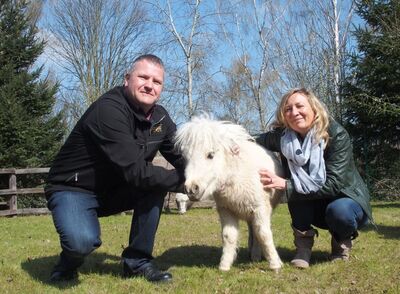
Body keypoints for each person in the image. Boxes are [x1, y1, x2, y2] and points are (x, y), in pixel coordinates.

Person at [45, 54, 185, 283]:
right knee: (81, 241)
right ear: (127, 79)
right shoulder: (108, 111)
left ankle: (137, 263)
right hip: (74, 188)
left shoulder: (160, 119)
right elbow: (137, 172)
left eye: (157, 81)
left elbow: (183, 156)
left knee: (156, 184)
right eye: (143, 77)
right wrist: (190, 184)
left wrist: (212, 173)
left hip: (116, 188)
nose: (149, 85)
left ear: (161, 88)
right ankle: (68, 263)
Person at [256, 88, 372, 268]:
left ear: (314, 108)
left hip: (345, 200)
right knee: (297, 191)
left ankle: (340, 243)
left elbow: (333, 185)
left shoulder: (336, 135)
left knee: (337, 210)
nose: (294, 112)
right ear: (284, 116)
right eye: (288, 109)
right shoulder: (283, 138)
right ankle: (303, 248)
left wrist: (285, 185)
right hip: (314, 206)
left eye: (299, 106)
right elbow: (256, 140)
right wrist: (235, 143)